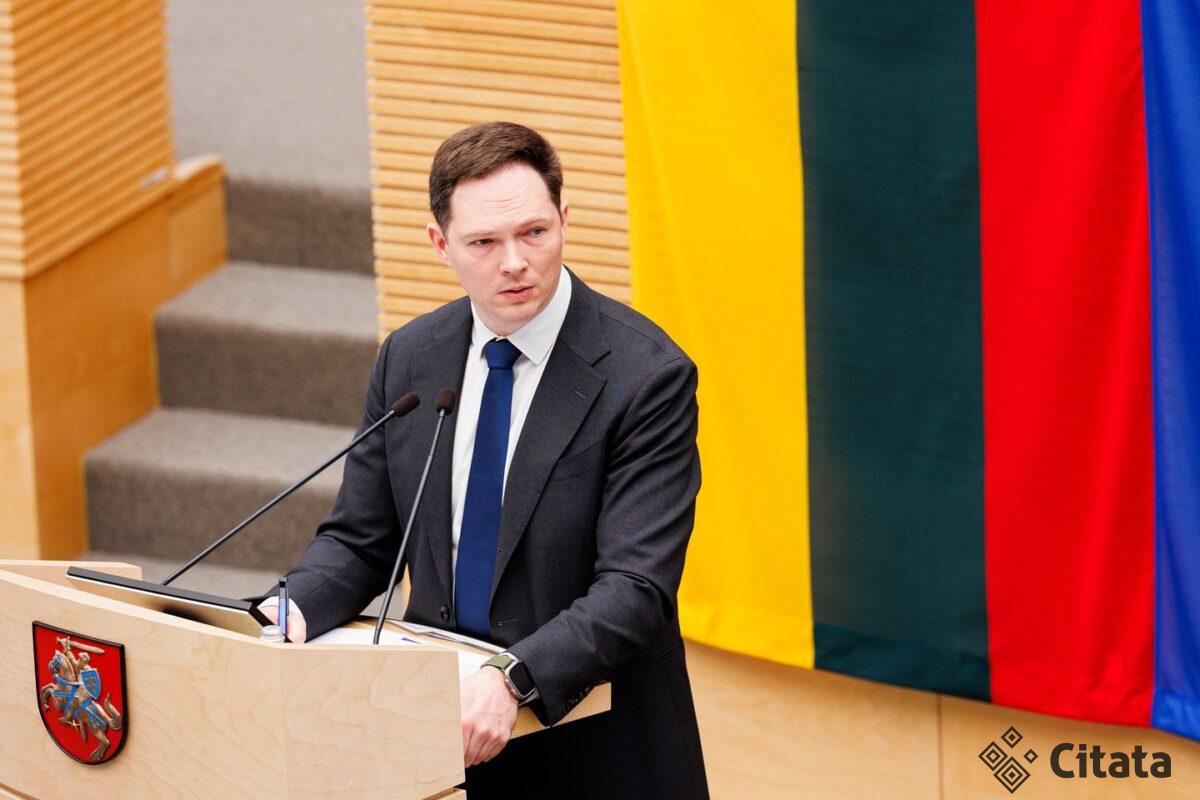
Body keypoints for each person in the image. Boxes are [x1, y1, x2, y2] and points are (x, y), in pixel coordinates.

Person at [259, 121, 709, 798]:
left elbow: (635, 588)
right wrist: (289, 612)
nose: (515, 262)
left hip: (590, 746)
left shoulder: (646, 375)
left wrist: (511, 677)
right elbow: (361, 541)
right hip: (436, 742)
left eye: (534, 232)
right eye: (484, 243)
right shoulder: (411, 357)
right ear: (441, 244)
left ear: (565, 220)